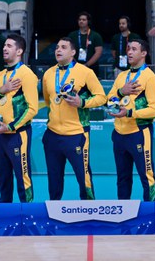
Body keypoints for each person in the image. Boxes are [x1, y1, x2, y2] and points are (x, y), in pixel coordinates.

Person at [42, 37, 107, 200]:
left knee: (83, 177)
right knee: (53, 179)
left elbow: (101, 97)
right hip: (52, 135)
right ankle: (53, 213)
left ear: (73, 52)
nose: (58, 50)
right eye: (57, 47)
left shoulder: (85, 72)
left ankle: (90, 212)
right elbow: (48, 100)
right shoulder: (48, 74)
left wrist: (82, 102)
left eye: (63, 47)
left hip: (77, 134)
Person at [0, 34, 38, 203]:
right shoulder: (0, 75)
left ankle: (28, 214)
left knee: (23, 176)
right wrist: (2, 90)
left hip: (17, 134)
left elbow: (32, 108)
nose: (4, 48)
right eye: (4, 46)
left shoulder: (27, 74)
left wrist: (10, 127)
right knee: (3, 177)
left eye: (9, 46)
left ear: (19, 51)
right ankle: (4, 213)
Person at [108, 39, 155, 201]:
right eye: (128, 49)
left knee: (147, 177)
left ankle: (151, 214)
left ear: (144, 53)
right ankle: (124, 213)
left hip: (139, 133)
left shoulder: (150, 78)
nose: (129, 52)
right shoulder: (122, 76)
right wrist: (120, 91)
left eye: (134, 49)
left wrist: (129, 113)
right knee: (122, 178)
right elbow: (109, 99)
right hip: (119, 134)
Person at [68, 12, 103, 76]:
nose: (81, 21)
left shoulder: (95, 35)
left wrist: (86, 65)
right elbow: (68, 51)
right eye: (80, 19)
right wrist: (75, 64)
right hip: (75, 67)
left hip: (92, 68)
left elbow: (98, 52)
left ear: (88, 22)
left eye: (84, 20)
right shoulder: (72, 35)